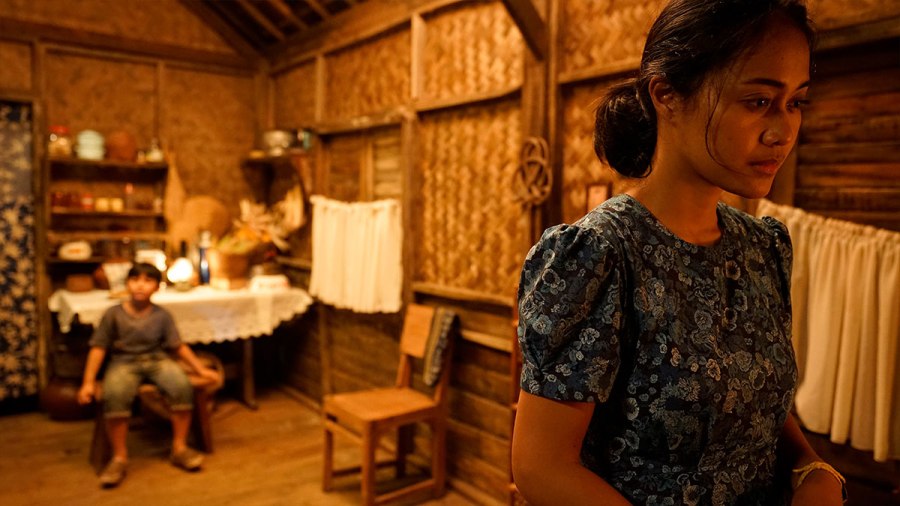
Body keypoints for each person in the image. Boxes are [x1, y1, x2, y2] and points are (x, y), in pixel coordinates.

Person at [512, 1, 847, 504]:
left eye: (795, 102)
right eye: (758, 101)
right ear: (666, 94)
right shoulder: (600, 255)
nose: (782, 131)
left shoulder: (762, 247)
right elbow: (540, 466)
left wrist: (810, 467)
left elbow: (753, 404)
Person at [77, 262, 220, 488]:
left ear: (157, 287)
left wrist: (200, 370)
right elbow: (98, 348)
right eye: (135, 280)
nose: (140, 286)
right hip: (123, 362)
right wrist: (88, 382)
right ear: (127, 284)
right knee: (115, 394)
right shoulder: (113, 314)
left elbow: (177, 346)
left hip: (157, 359)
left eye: (147, 281)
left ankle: (179, 447)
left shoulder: (162, 316)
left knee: (181, 386)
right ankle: (119, 457)